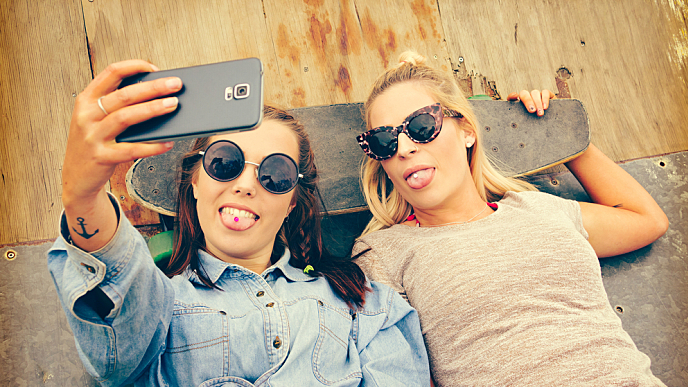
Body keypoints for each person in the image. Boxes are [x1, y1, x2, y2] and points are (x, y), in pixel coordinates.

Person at [48, 60, 430, 386]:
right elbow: (115, 350)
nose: (245, 185)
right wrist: (84, 198)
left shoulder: (367, 307)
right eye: (224, 163)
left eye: (275, 174)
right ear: (195, 181)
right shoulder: (157, 311)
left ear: (291, 201)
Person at [352, 51, 669, 386]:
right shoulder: (384, 253)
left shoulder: (538, 209)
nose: (403, 148)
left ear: (467, 131)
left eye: (421, 126)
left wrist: (558, 132)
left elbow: (647, 220)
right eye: (383, 140)